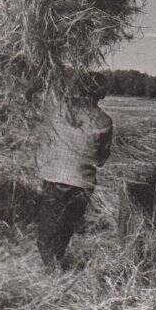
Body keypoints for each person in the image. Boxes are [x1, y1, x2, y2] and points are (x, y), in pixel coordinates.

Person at [35, 74, 113, 269]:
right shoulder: (105, 121)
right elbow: (101, 159)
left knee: (48, 229)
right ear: (101, 94)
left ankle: (51, 273)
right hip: (83, 183)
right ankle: (56, 266)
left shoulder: (60, 111)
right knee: (66, 228)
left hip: (55, 178)